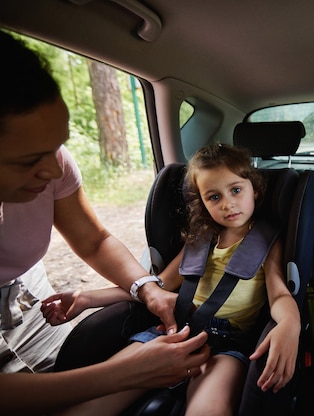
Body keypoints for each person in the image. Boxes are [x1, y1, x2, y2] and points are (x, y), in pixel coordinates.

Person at [0, 29, 210, 415]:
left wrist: (146, 289)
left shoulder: (54, 165)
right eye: (28, 161)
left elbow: (94, 241)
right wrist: (127, 373)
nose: (52, 170)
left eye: (57, 147)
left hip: (26, 302)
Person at [42, 143, 302, 415]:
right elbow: (155, 287)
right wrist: (87, 298)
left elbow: (280, 294)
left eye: (236, 190)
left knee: (208, 408)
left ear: (255, 189)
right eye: (214, 197)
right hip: (171, 333)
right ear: (202, 202)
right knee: (92, 401)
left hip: (226, 347)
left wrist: (289, 323)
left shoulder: (267, 242)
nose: (227, 204)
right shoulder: (199, 242)